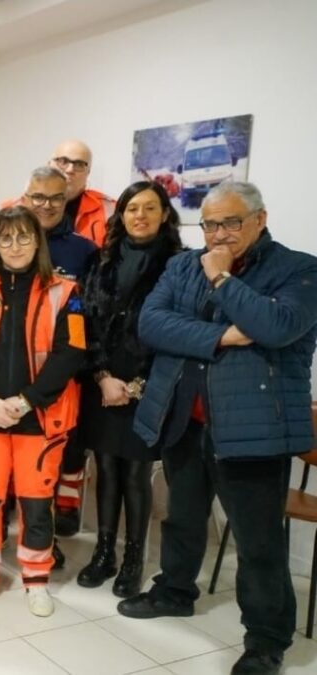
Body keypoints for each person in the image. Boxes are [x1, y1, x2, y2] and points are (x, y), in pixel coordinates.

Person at [119, 182, 317, 675]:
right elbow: (153, 323)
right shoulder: (183, 264)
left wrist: (226, 283)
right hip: (185, 418)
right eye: (209, 223)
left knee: (258, 541)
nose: (219, 233)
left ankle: (267, 640)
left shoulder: (300, 269)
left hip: (254, 430)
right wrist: (224, 335)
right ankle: (175, 591)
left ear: (260, 219)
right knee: (182, 517)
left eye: (231, 222)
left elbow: (277, 327)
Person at [0, 205, 86, 618]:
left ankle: (35, 580)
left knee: (35, 507)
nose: (15, 246)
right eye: (5, 238)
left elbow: (72, 353)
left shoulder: (66, 291)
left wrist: (27, 400)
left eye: (24, 237)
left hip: (40, 420)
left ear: (38, 241)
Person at [76, 181, 182, 598]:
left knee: (137, 474)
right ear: (120, 215)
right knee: (106, 469)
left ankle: (134, 559)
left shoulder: (178, 265)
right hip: (101, 381)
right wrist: (102, 375)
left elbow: (174, 332)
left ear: (164, 215)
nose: (139, 215)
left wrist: (135, 384)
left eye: (149, 208)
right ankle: (104, 552)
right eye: (131, 208)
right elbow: (85, 322)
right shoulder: (100, 262)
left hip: (148, 385)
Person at [20, 165, 98, 556]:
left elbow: (90, 317)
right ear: (26, 197)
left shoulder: (84, 251)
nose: (46, 205)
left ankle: (42, 540)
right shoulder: (6, 240)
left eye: (55, 197)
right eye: (38, 197)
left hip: (59, 379)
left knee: (46, 467)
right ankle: (1, 531)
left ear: (66, 199)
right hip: (8, 377)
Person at [48, 139, 115, 247]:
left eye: (79, 164)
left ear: (88, 172)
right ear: (49, 165)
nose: (70, 170)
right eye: (63, 161)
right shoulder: (23, 206)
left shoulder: (110, 209)